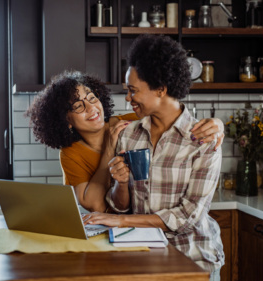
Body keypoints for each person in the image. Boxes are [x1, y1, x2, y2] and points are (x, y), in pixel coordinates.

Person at [83, 34, 224, 280]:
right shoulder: (130, 136)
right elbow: (121, 206)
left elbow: (187, 217)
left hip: (192, 262)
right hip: (142, 259)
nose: (127, 98)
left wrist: (120, 222)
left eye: (132, 90)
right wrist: (121, 184)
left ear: (161, 89)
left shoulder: (203, 140)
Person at [25, 70, 225, 214]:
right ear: (65, 120)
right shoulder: (71, 153)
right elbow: (95, 205)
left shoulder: (129, 123)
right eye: (78, 106)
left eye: (92, 98)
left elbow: (172, 116)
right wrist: (110, 148)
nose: (91, 108)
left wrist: (217, 124)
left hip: (146, 222)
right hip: (109, 230)